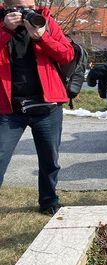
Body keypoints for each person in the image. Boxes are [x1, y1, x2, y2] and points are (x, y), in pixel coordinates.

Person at [0, 0, 74, 215]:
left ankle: (49, 201)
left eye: (29, 8)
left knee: (50, 159)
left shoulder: (46, 22)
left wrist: (42, 36)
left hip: (47, 106)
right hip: (10, 108)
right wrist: (5, 30)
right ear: (6, 6)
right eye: (19, 9)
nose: (25, 14)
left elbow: (67, 55)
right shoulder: (2, 24)